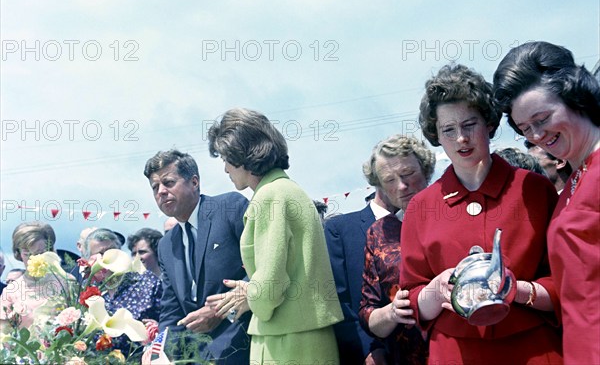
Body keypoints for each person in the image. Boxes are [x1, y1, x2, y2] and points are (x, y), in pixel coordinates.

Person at [399, 64, 562, 364]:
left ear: (488, 122)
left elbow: (566, 282)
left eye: (469, 124)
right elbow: (412, 298)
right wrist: (434, 292)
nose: (461, 138)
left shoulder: (534, 189)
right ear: (436, 135)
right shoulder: (421, 206)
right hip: (454, 354)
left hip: (534, 349)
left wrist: (519, 290)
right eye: (448, 129)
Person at [207, 108, 343, 364]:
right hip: (303, 336)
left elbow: (269, 287)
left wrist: (249, 295)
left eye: (225, 157)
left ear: (240, 153)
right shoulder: (288, 190)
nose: (224, 168)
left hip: (286, 342)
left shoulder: (270, 196)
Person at [493, 41, 600, 364]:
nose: (537, 135)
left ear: (574, 96)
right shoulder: (573, 183)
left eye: (542, 119)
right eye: (525, 129)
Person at [143, 149, 251, 364]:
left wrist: (220, 312)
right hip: (195, 356)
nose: (161, 192)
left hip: (244, 346)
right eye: (155, 187)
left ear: (194, 182)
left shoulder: (230, 207)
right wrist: (160, 351)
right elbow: (171, 310)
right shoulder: (166, 245)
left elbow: (262, 270)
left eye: (169, 182)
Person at [358, 135, 433, 365]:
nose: (401, 186)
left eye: (408, 174)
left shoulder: (457, 212)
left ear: (426, 169)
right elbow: (367, 312)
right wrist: (392, 312)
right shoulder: (379, 233)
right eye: (389, 180)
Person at [82, 228, 162, 356]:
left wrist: (158, 328)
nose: (108, 257)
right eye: (100, 253)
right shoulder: (86, 291)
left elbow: (169, 321)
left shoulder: (149, 282)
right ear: (89, 259)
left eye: (111, 251)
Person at [0, 222, 67, 333]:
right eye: (28, 254)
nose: (35, 259)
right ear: (19, 254)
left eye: (40, 253)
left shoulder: (66, 282)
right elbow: (3, 335)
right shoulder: (11, 291)